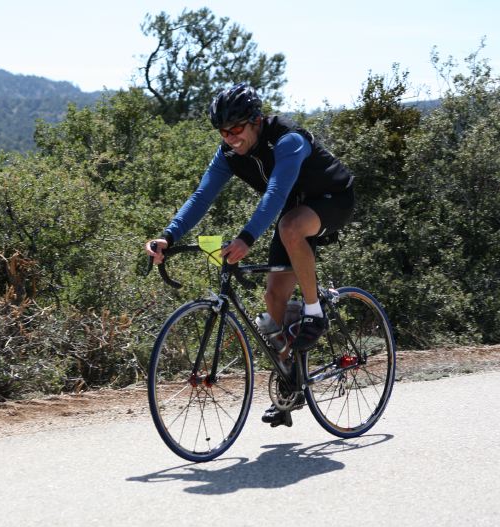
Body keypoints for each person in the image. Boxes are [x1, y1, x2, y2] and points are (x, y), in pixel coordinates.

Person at [145, 83, 356, 427]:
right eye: (223, 131)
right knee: (273, 295)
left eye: (236, 129)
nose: (229, 137)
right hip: (293, 210)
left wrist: (246, 238)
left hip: (333, 199)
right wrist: (168, 235)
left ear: (256, 120)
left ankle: (315, 311)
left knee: (289, 227)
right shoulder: (228, 154)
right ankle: (291, 385)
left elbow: (275, 193)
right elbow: (202, 196)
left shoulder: (288, 139)